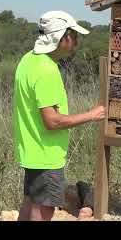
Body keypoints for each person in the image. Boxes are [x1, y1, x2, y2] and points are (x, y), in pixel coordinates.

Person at [12, 11, 106, 221]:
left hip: (31, 150)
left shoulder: (28, 60)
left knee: (31, 201)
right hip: (45, 154)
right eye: (73, 35)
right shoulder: (47, 70)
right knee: (43, 209)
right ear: (62, 38)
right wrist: (91, 115)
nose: (76, 41)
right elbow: (52, 121)